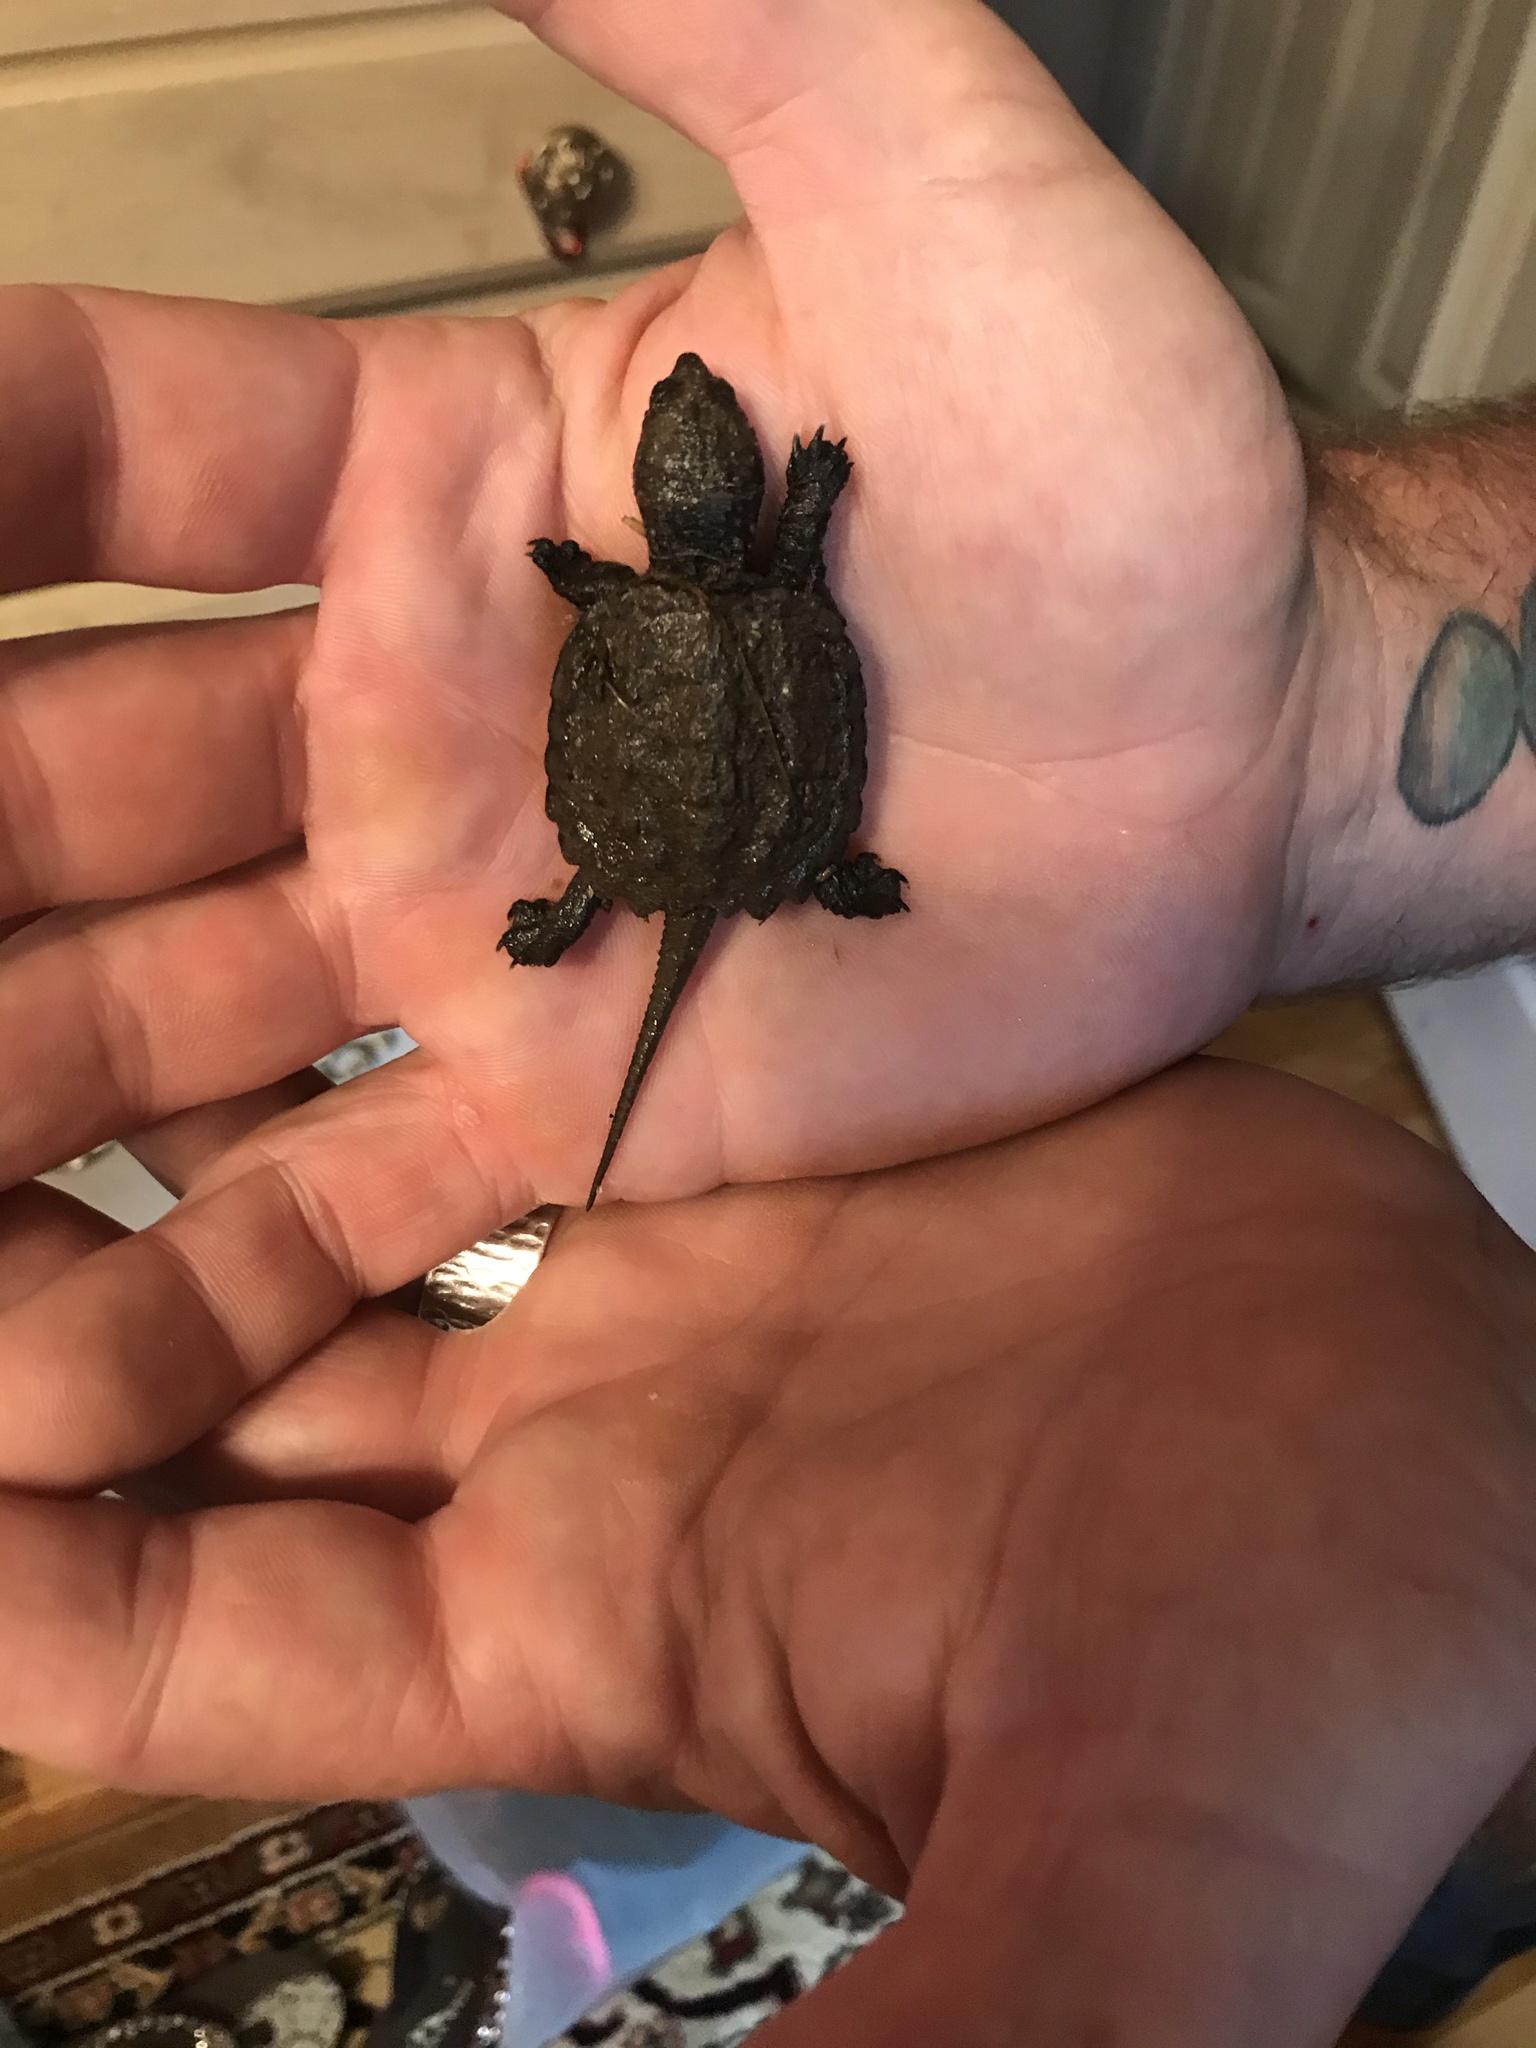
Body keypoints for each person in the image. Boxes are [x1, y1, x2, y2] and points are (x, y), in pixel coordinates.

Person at [0, 0, 1532, 2038]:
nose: (695, 448)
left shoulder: (622, 591)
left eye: (690, 457)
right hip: (770, 841)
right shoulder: (752, 562)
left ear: (670, 505)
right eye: (700, 455)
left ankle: (610, 900)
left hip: (653, 845)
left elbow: (625, 613)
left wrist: (1294, 702)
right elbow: (777, 587)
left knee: (626, 900)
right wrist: (1309, 704)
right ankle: (741, 892)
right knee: (740, 874)